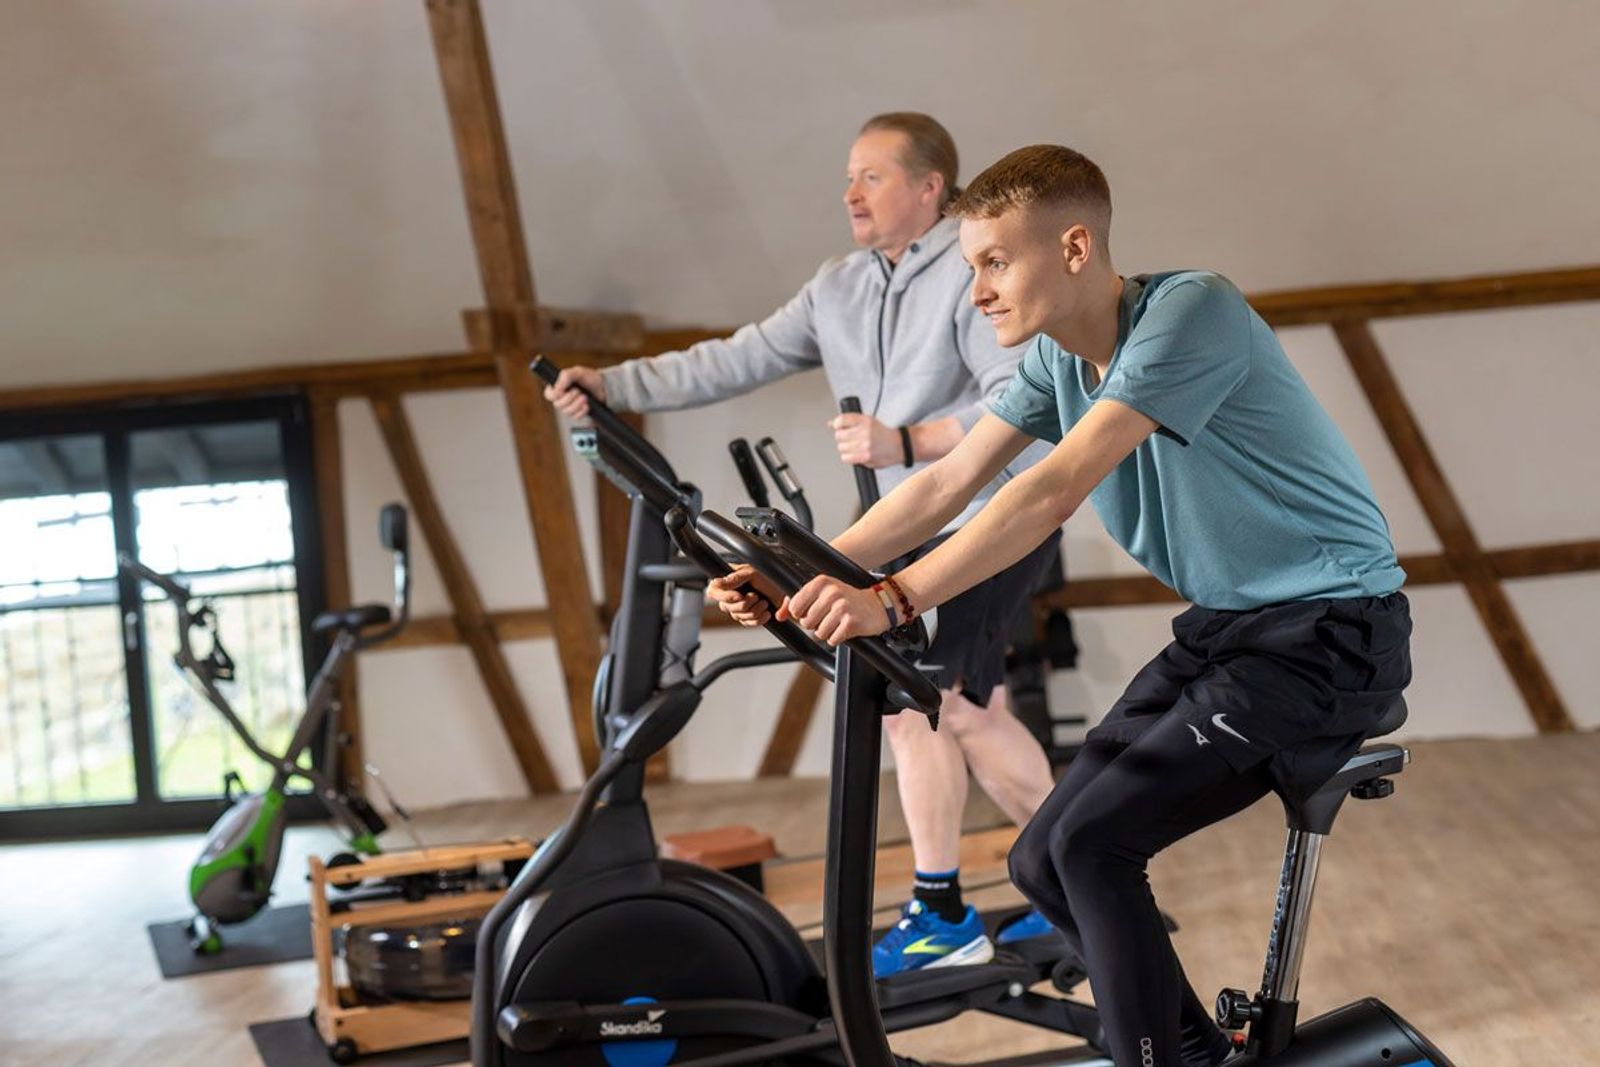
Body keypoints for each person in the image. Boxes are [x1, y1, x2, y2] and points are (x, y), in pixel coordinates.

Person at [712, 144, 1411, 1067]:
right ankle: (1190, 1054)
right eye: (970, 269)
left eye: (996, 262)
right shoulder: (1054, 360)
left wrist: (891, 597)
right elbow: (944, 483)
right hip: (1229, 632)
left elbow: (1048, 493)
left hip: (1330, 634)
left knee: (1090, 846)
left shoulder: (1191, 311)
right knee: (1040, 858)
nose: (978, 292)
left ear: (1075, 247)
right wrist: (792, 572)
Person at [545, 114, 1066, 978]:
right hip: (901, 525)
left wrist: (908, 440)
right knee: (955, 713)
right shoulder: (839, 286)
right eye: (849, 177)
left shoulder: (974, 273)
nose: (849, 192)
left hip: (985, 521)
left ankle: (988, 903)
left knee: (941, 708)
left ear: (930, 187)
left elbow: (1023, 402)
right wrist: (616, 384)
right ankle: (1041, 891)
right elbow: (737, 357)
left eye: (870, 175)